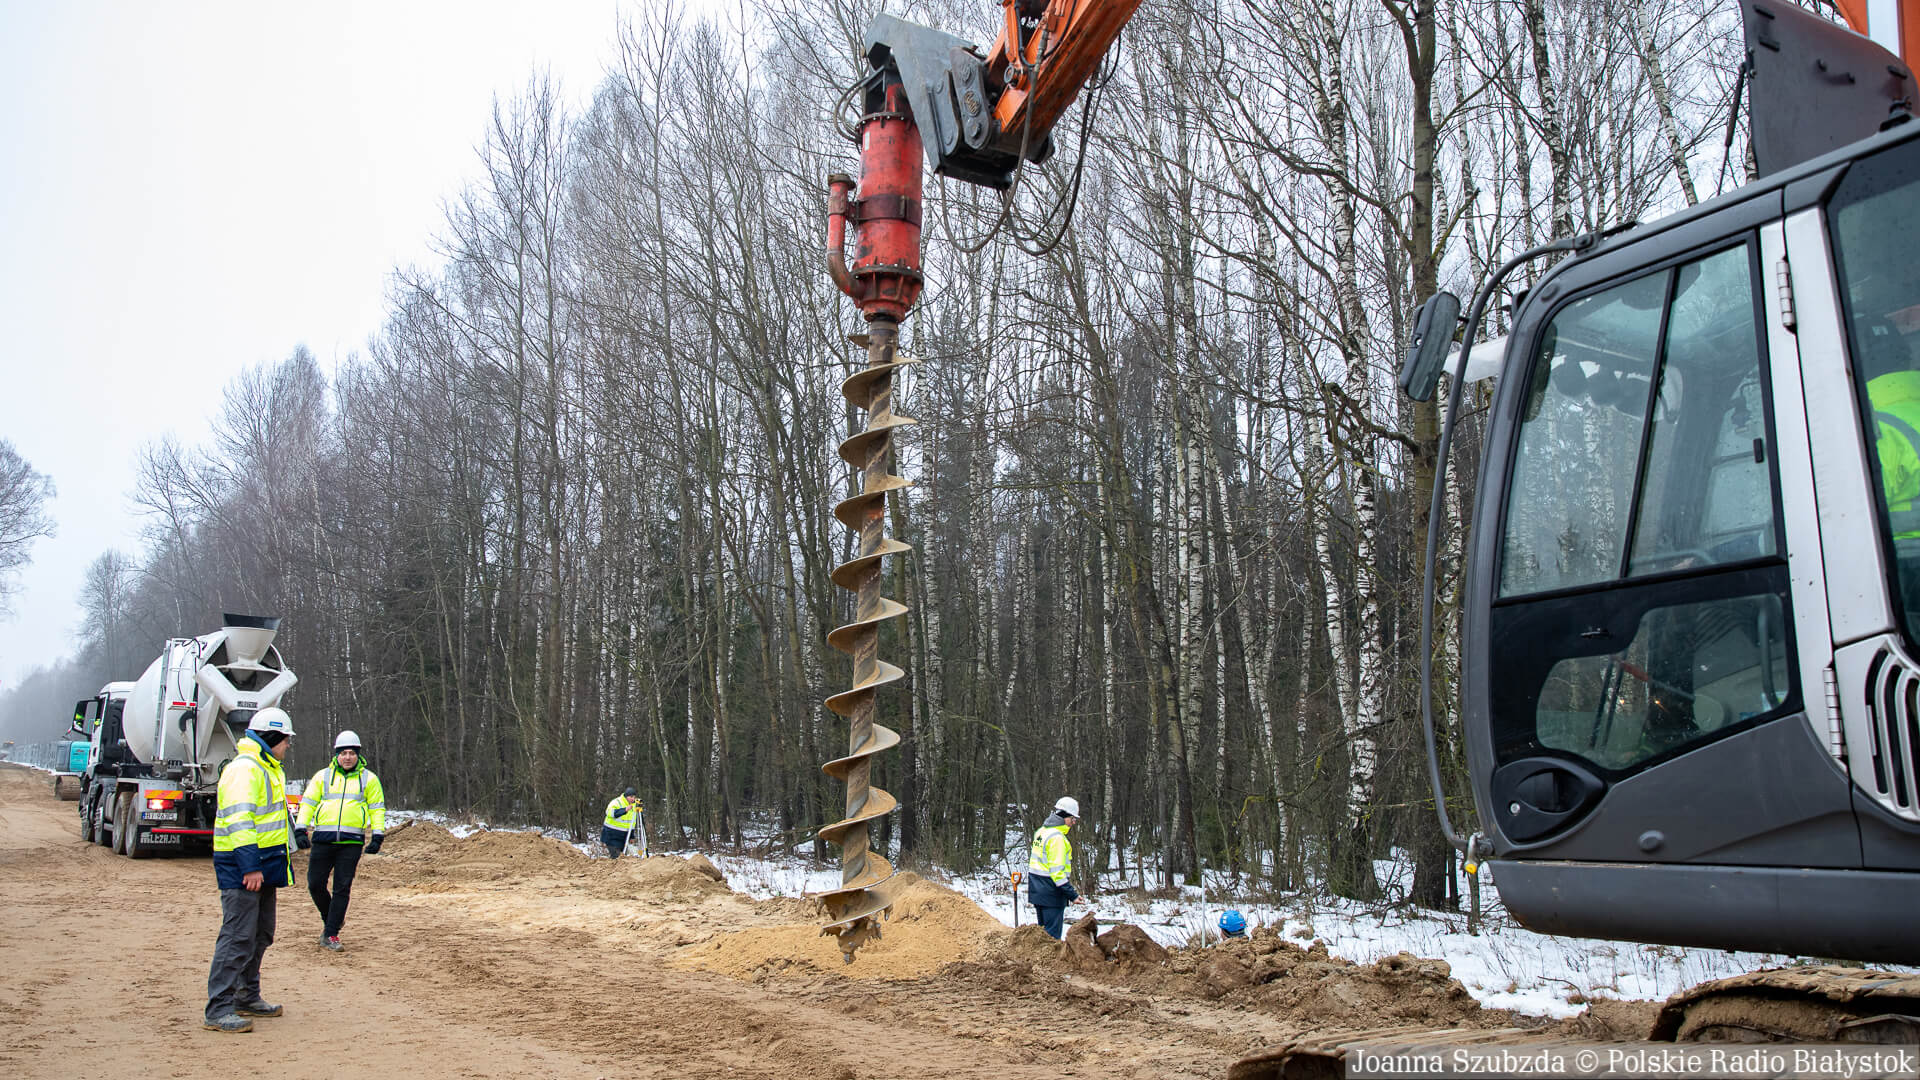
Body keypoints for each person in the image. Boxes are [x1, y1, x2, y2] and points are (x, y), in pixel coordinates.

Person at [205, 707, 297, 1033]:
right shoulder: (246, 769)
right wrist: (250, 867)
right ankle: (218, 1008)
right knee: (237, 938)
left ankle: (246, 995)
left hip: (265, 866)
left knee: (261, 934)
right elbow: (240, 820)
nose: (288, 745)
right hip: (244, 868)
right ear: (272, 737)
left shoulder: (266, 767)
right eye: (286, 740)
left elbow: (268, 818)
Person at [295, 729, 386, 952]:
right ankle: (332, 918)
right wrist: (300, 828)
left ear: (358, 755)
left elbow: (377, 809)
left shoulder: (369, 779)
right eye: (343, 753)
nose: (347, 757)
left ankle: (331, 933)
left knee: (341, 888)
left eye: (352, 753)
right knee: (315, 883)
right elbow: (308, 803)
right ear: (336, 755)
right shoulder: (322, 776)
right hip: (323, 839)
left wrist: (377, 836)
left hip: (351, 842)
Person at [1027, 795, 1083, 940]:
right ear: (1065, 817)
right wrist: (1072, 895)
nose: (1074, 823)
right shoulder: (1057, 838)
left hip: (1037, 891)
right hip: (1052, 894)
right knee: (1051, 940)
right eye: (1073, 819)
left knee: (1042, 937)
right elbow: (1057, 872)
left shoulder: (1041, 832)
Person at [601, 787, 643, 858]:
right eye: (631, 797)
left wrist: (631, 836)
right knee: (617, 857)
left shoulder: (634, 806)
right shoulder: (616, 802)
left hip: (623, 838)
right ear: (626, 796)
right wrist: (624, 810)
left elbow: (632, 823)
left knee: (622, 858)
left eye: (634, 797)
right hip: (611, 836)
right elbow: (609, 813)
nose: (633, 799)